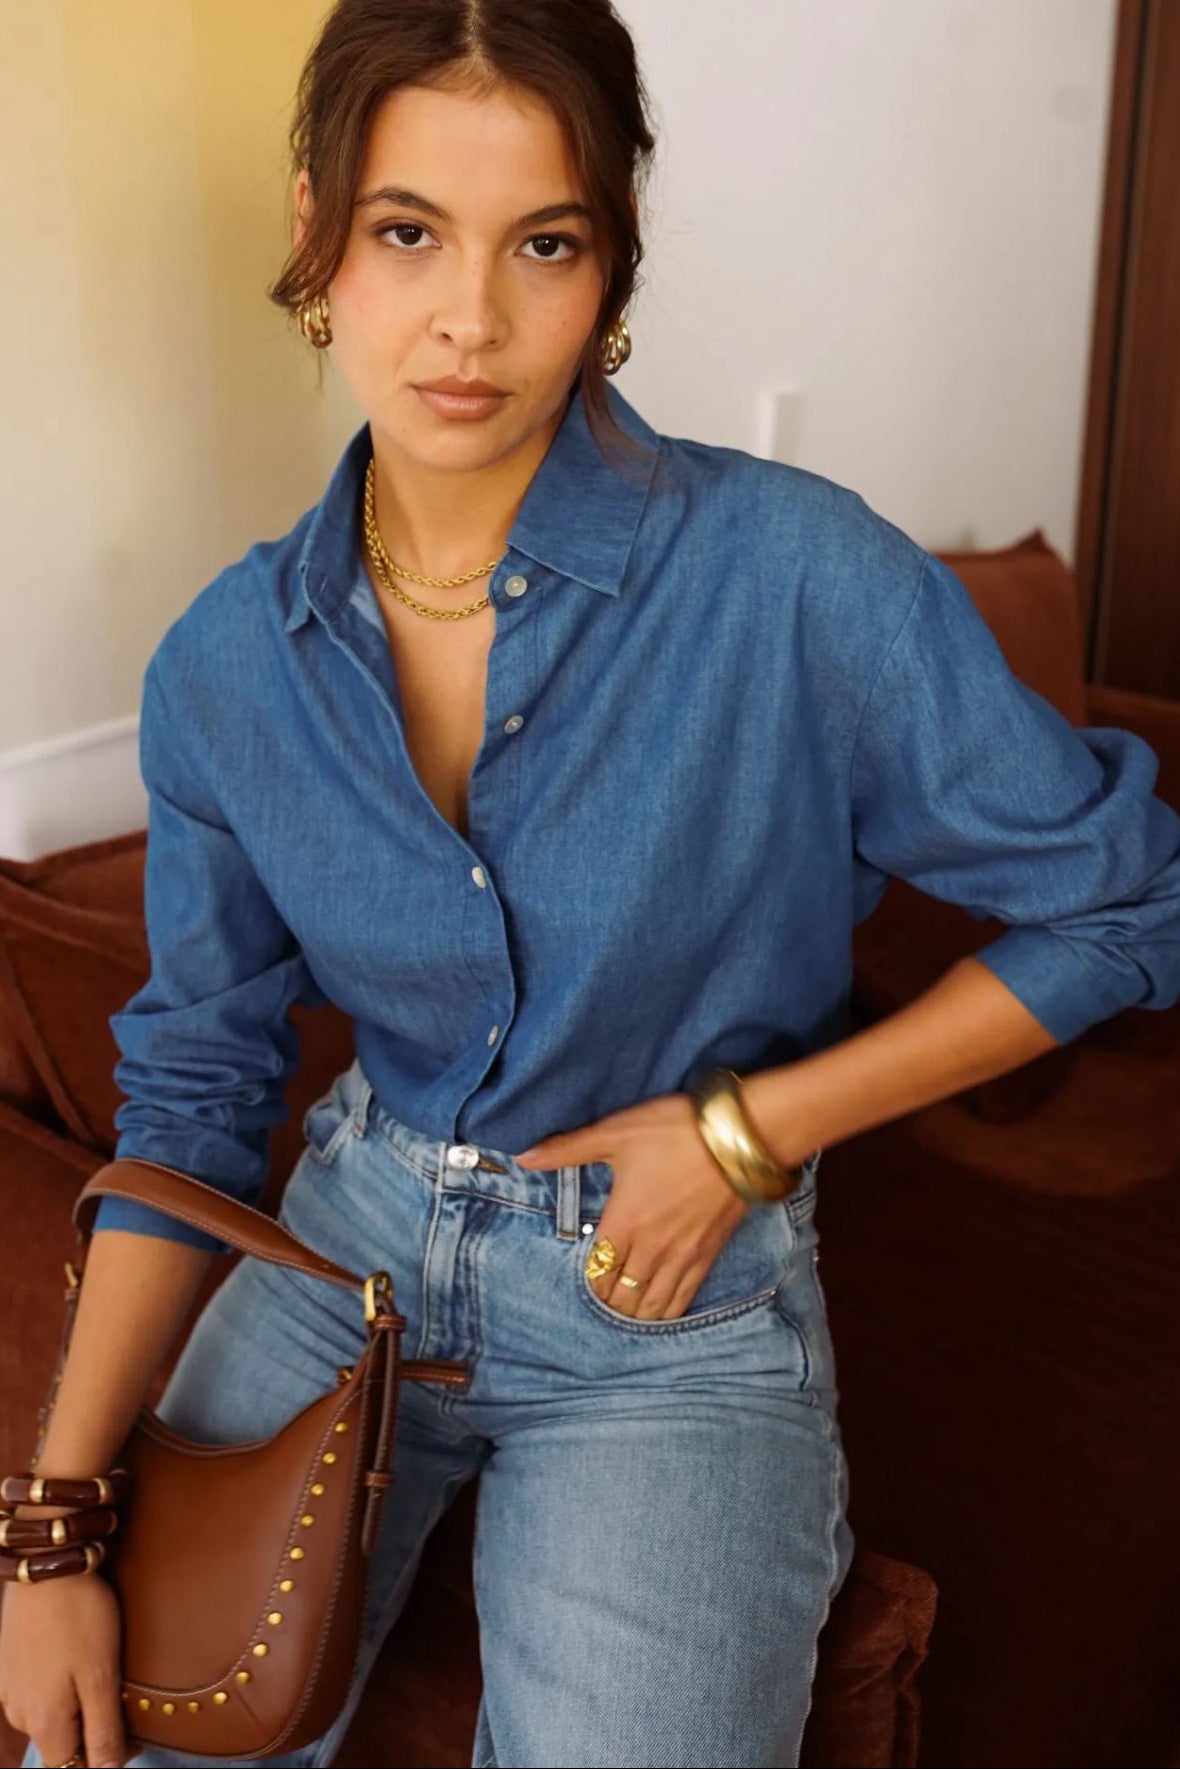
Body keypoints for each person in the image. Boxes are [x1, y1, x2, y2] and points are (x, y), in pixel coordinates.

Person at [4, 2, 1180, 1766]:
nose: (469, 319)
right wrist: (54, 1521)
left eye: (541, 243)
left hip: (675, 1310)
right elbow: (190, 1097)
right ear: (318, 238)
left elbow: (1127, 901)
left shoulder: (794, 576)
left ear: (610, 268)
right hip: (352, 1237)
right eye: (408, 233)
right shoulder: (227, 667)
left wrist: (747, 1134)